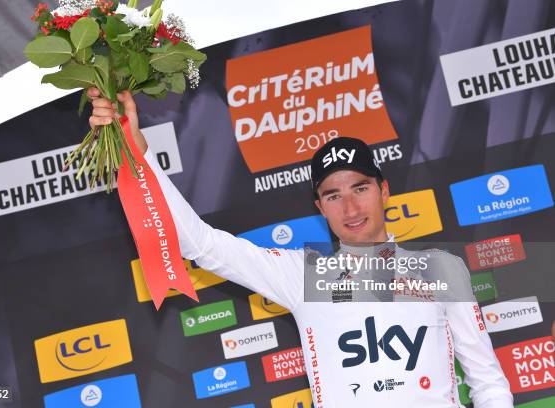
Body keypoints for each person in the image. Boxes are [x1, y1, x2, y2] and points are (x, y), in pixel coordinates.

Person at [87, 88, 513, 407]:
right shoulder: (306, 274)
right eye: (332, 196)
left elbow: (488, 381)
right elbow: (201, 244)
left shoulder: (440, 269)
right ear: (319, 207)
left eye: (360, 188)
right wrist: (139, 157)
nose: (350, 206)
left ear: (384, 190)